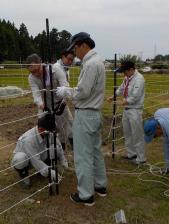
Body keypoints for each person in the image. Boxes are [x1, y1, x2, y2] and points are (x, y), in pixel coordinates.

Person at [56, 32, 107, 206]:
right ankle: (100, 185)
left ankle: (86, 194)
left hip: (85, 113)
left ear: (83, 45)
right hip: (94, 113)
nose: (74, 53)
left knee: (83, 155)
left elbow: (83, 91)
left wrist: (66, 91)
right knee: (95, 151)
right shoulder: (97, 61)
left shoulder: (91, 64)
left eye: (75, 48)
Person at [26, 53, 73, 151]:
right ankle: (47, 149)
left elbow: (65, 86)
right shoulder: (31, 77)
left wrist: (63, 103)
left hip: (60, 103)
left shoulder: (56, 70)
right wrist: (42, 105)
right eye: (32, 72)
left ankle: (63, 149)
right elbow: (36, 94)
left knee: (65, 126)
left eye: (37, 70)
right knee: (44, 126)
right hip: (45, 105)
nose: (36, 74)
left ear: (41, 64)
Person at [11, 114, 68, 188]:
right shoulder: (28, 140)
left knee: (55, 148)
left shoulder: (47, 131)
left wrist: (63, 160)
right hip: (27, 161)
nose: (51, 132)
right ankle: (24, 176)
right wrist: (51, 172)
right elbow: (35, 160)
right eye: (49, 130)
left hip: (39, 155)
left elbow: (58, 145)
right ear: (41, 129)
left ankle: (44, 170)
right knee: (20, 159)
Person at [108, 61, 146, 165]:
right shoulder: (127, 78)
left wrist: (124, 101)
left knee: (137, 134)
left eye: (124, 72)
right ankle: (131, 154)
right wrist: (114, 96)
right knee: (127, 133)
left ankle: (141, 158)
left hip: (135, 110)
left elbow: (135, 96)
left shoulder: (139, 79)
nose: (123, 74)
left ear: (131, 70)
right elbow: (121, 89)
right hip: (126, 110)